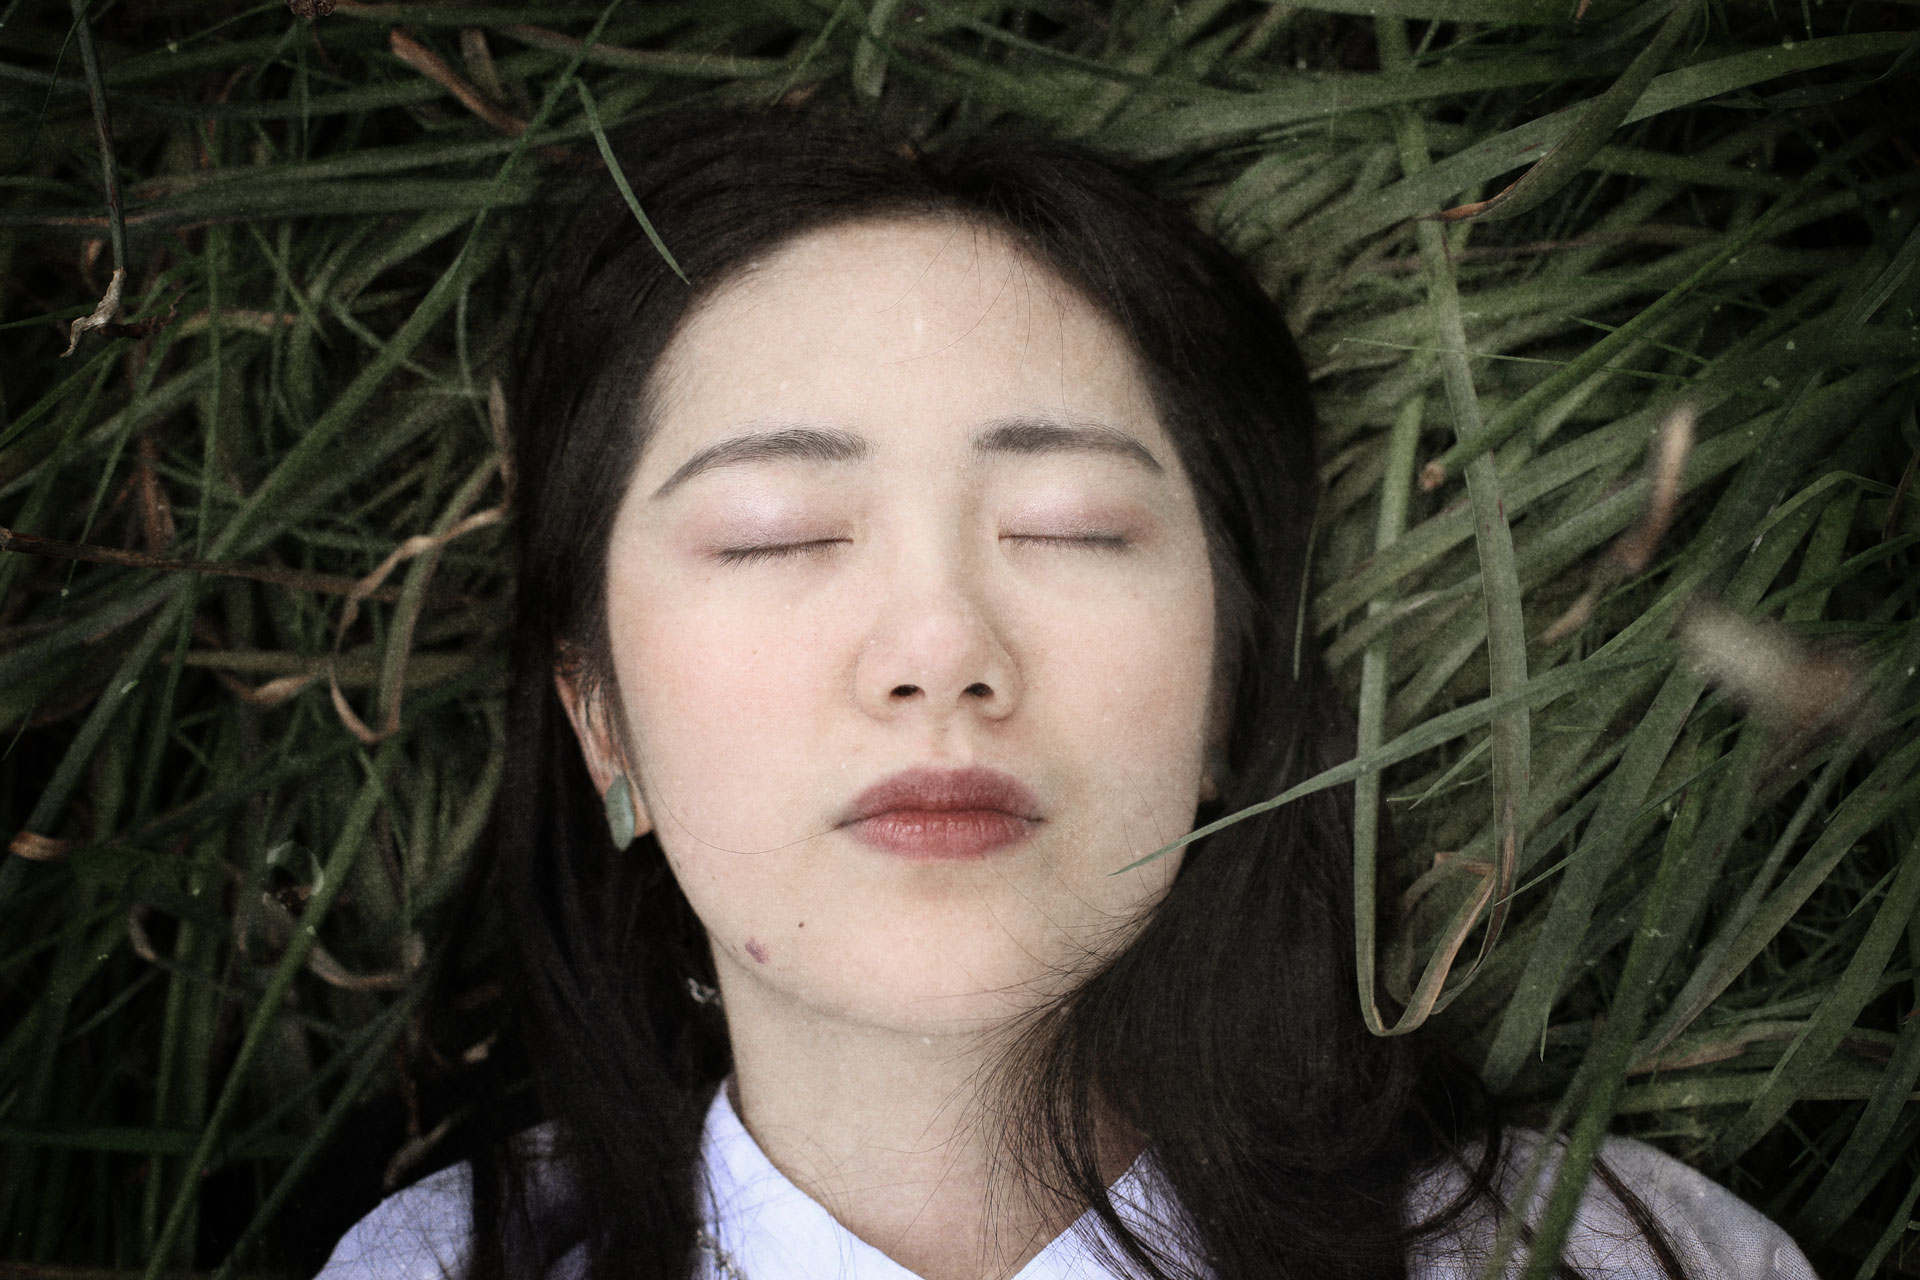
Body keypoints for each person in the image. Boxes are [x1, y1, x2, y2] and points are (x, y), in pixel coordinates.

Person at [317, 108, 1815, 1280]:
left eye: (1070, 529)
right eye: (779, 533)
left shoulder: (1610, 1257)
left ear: (1232, 695)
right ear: (600, 723)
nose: (940, 647)